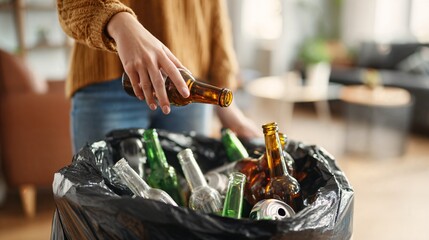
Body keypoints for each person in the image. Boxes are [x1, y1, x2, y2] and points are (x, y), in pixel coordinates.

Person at [57, 0, 261, 153]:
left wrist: (224, 99)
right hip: (107, 78)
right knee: (105, 205)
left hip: (187, 88)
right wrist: (118, 21)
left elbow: (214, 8)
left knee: (187, 197)